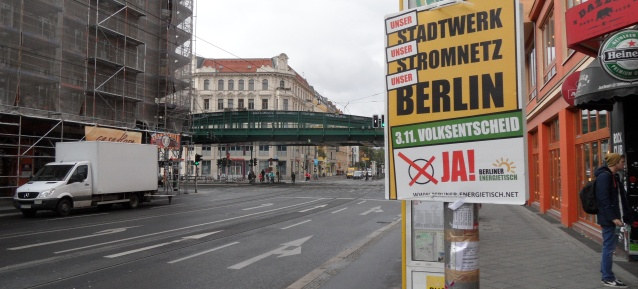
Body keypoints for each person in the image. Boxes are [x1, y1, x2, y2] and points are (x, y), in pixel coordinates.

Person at [595, 153, 631, 288]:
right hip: (610, 219)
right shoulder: (605, 177)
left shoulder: (614, 176)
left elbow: (620, 198)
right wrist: (613, 217)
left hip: (615, 218)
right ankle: (607, 278)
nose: (624, 164)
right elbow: (603, 199)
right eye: (622, 162)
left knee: (609, 247)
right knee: (609, 248)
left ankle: (605, 272)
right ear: (615, 162)